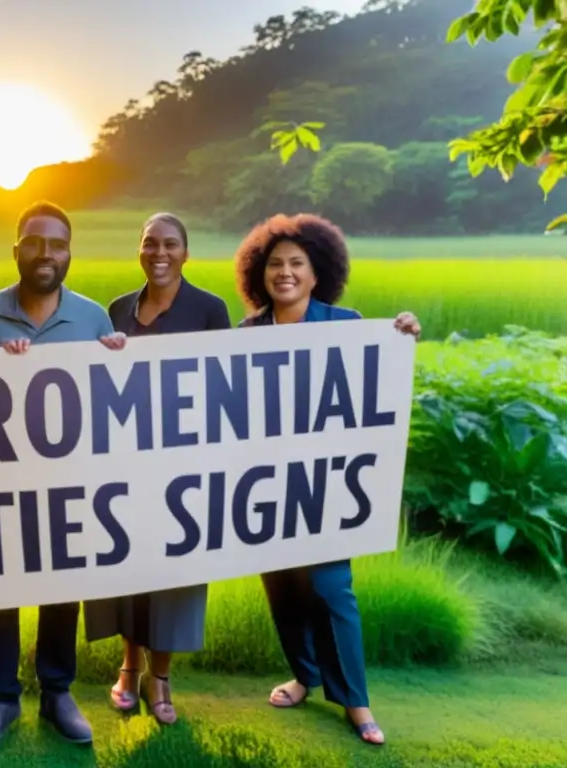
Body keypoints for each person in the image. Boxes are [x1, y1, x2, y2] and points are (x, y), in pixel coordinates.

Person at [233, 213, 421, 747]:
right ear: (259, 274)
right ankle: (305, 675)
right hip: (265, 484)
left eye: (297, 264)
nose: (285, 273)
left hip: (329, 483)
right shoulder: (246, 334)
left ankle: (356, 702)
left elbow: (378, 372)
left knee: (331, 587)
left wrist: (402, 331)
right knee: (282, 587)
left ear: (318, 274)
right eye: (275, 264)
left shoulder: (347, 323)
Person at [0, 200, 126, 749]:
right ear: (17, 251)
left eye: (57, 244)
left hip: (69, 481)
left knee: (62, 591)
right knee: (0, 590)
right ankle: (0, 699)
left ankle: (57, 693)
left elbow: (112, 397)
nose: (46, 253)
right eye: (35, 242)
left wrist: (121, 359)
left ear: (70, 253)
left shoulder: (94, 317)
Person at [83, 212, 230, 726]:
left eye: (170, 244)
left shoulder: (210, 309)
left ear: (186, 253)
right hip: (122, 465)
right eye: (150, 244)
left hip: (182, 466)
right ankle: (127, 668)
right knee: (127, 565)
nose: (159, 253)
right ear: (140, 251)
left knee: (172, 573)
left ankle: (160, 678)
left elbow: (227, 386)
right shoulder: (118, 309)